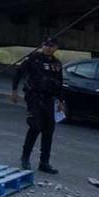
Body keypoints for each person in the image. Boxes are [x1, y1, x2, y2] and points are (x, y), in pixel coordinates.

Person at [11, 37, 66, 173]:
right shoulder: (33, 58)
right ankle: (25, 158)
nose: (48, 48)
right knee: (35, 127)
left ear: (56, 48)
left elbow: (59, 83)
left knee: (48, 131)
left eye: (51, 46)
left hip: (49, 99)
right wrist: (14, 91)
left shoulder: (57, 64)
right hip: (34, 97)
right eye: (46, 45)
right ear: (42, 45)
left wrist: (61, 101)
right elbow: (18, 73)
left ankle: (44, 163)